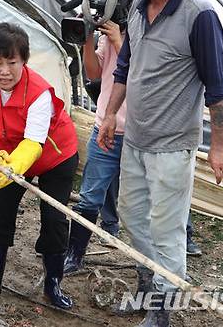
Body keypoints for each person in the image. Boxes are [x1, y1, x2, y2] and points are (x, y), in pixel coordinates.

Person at [98, 0, 223, 326]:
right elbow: (125, 67)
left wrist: (221, 144)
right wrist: (109, 113)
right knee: (130, 214)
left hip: (173, 145)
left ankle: (162, 311)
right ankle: (151, 277)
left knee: (167, 230)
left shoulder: (199, 14)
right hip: (135, 138)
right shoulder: (137, 10)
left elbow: (217, 85)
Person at [0, 23, 79, 309]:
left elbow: (32, 145)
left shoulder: (39, 91)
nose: (4, 71)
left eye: (12, 62)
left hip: (54, 157)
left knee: (54, 220)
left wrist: (9, 168)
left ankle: (53, 284)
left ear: (24, 61)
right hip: (7, 157)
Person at [64, 20, 126, 273]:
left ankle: (152, 269)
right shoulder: (108, 35)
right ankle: (74, 255)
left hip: (140, 134)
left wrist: (119, 42)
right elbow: (93, 73)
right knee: (89, 197)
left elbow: (144, 72)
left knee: (142, 205)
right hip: (105, 128)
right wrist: (88, 38)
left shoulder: (149, 29)